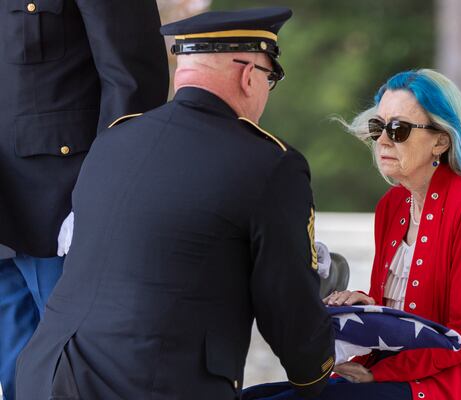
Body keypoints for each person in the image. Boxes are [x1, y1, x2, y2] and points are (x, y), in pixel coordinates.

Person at [15, 7, 334, 400]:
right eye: (272, 78)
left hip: (44, 375)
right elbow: (287, 302)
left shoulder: (112, 142)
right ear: (249, 75)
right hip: (146, 384)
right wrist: (316, 374)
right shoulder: (269, 164)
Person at [242, 69, 461, 400]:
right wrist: (365, 304)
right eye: (377, 127)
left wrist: (378, 373)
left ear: (441, 140)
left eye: (398, 129)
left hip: (440, 385)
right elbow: (400, 310)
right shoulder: (393, 204)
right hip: (386, 372)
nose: (382, 140)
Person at [0, 1, 169, 398]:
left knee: (77, 378)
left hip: (61, 208)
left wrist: (104, 194)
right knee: (18, 380)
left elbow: (133, 80)